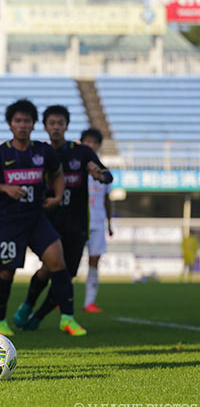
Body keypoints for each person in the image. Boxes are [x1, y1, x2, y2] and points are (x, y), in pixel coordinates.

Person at [0, 99, 86, 337]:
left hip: (37, 217)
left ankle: (67, 318)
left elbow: (58, 174)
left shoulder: (42, 151)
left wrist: (58, 196)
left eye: (27, 121)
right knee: (7, 272)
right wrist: (5, 188)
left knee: (58, 262)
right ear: (10, 124)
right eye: (18, 121)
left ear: (33, 124)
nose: (23, 125)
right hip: (11, 220)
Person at [13, 110, 113, 331]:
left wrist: (98, 173)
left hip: (77, 224)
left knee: (66, 276)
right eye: (52, 123)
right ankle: (29, 303)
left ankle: (37, 317)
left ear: (66, 126)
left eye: (60, 123)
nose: (56, 127)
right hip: (48, 221)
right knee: (50, 268)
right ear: (45, 127)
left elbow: (108, 176)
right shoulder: (38, 152)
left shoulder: (82, 152)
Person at [81, 128, 114, 311]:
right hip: (78, 223)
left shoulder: (104, 171)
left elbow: (107, 200)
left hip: (97, 223)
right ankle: (59, 300)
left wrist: (109, 223)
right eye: (88, 142)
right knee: (68, 264)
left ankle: (89, 302)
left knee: (94, 263)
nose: (91, 145)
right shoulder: (75, 167)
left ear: (99, 146)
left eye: (95, 142)